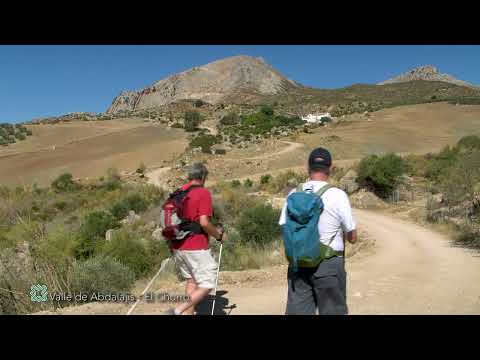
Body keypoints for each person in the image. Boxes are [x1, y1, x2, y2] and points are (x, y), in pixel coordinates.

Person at [279, 147, 357, 315]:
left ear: (308, 167)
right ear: (330, 168)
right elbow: (352, 237)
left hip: (299, 264)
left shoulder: (294, 193)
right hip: (328, 265)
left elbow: (283, 226)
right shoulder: (337, 195)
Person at [166, 163, 225, 315]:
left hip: (178, 245)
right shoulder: (202, 193)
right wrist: (218, 235)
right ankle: (177, 310)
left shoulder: (179, 192)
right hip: (196, 246)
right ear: (204, 177)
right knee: (207, 284)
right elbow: (204, 222)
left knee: (192, 281)